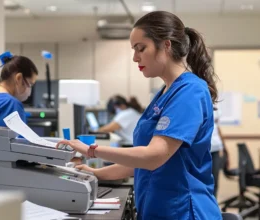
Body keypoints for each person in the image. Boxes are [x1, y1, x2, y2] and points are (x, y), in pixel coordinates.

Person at [57, 11, 222, 219]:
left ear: (166, 45)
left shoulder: (190, 91)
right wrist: (96, 173)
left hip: (184, 211)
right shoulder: (164, 93)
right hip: (159, 209)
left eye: (140, 49)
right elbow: (138, 163)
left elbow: (154, 156)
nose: (135, 57)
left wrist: (92, 151)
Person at [0, 51, 38, 127]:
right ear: (19, 78)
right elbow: (18, 139)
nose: (29, 91)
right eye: (30, 84)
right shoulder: (11, 104)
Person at [210, 108, 229, 198]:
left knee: (215, 180)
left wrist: (226, 149)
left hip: (216, 149)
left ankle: (213, 206)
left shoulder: (216, 107)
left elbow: (217, 128)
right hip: (204, 150)